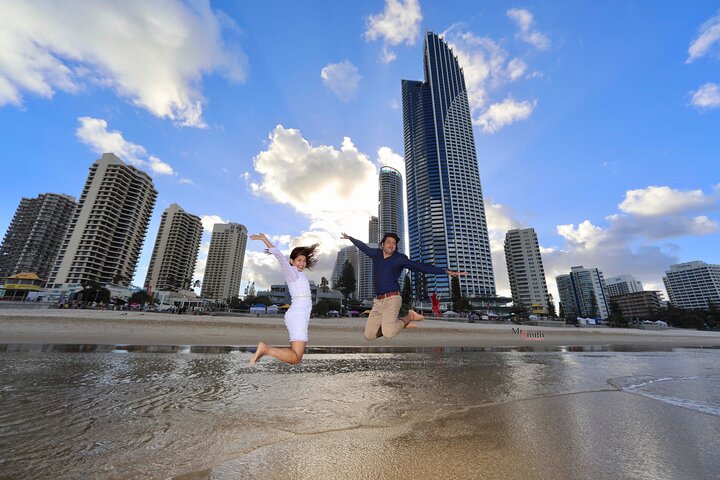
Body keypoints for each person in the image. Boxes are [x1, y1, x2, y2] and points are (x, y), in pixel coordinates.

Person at [341, 232, 466, 341]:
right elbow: (362, 246)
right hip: (378, 301)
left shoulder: (400, 258)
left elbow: (420, 266)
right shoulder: (376, 254)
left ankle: (409, 316)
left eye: (394, 243)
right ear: (382, 244)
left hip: (392, 299)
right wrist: (350, 238)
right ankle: (399, 324)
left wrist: (445, 271)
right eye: (388, 242)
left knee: (388, 334)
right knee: (369, 336)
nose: (391, 244)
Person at [248, 233, 319, 366]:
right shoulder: (292, 273)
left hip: (300, 315)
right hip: (298, 314)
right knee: (296, 358)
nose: (302, 263)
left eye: (304, 261)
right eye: (299, 260)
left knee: (296, 357)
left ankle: (266, 350)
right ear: (292, 261)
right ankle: (265, 349)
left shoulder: (300, 274)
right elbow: (280, 258)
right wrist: (265, 240)